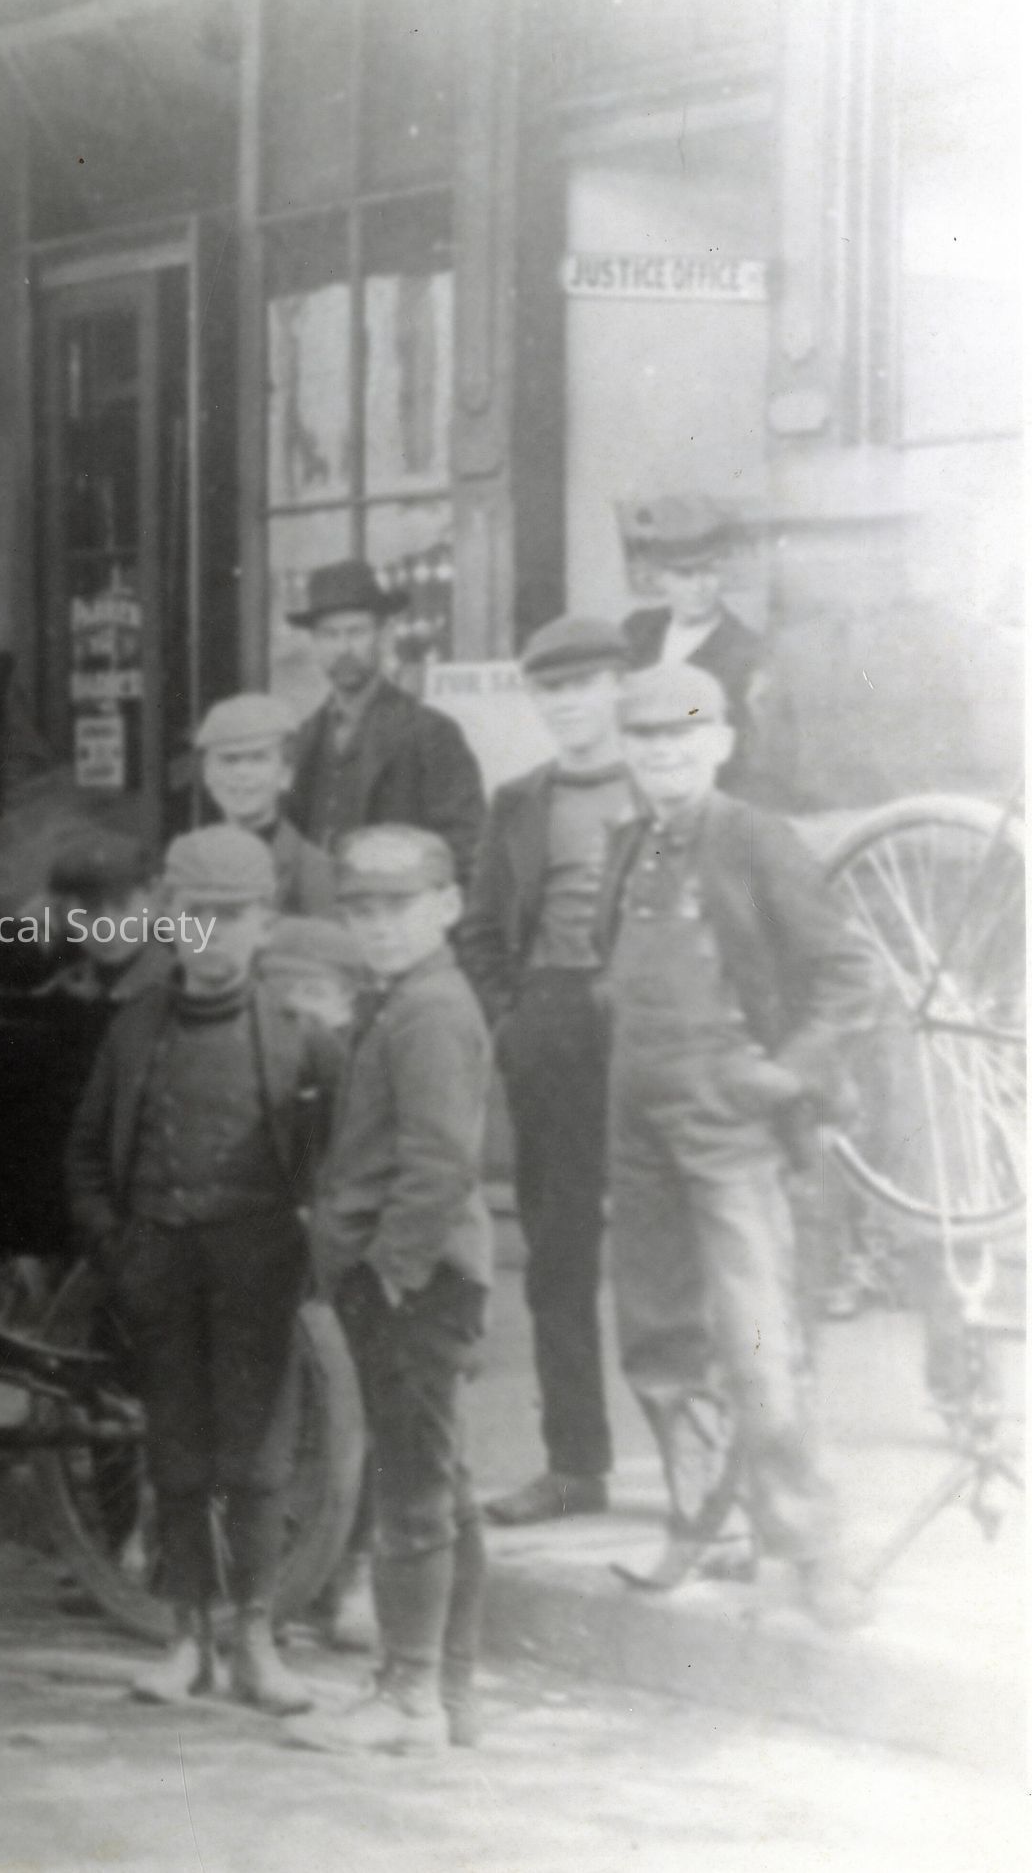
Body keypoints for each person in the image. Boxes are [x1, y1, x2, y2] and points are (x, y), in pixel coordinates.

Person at [595, 663, 879, 1629]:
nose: (663, 753)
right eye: (645, 738)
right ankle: (704, 1519)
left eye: (682, 734)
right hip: (639, 1124)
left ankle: (810, 1544)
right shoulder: (628, 843)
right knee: (658, 1337)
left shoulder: (757, 839)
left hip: (731, 1127)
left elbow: (848, 976)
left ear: (719, 742)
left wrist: (784, 1075)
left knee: (758, 1337)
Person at [64, 826, 342, 1712]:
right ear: (166, 919)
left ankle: (255, 1639)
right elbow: (84, 1155)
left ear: (266, 924)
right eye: (193, 916)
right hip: (161, 1265)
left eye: (231, 917)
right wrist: (119, 1249)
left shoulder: (300, 1034)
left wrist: (314, 1249)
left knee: (257, 1456)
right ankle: (187, 1638)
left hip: (258, 1265)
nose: (210, 937)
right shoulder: (134, 1026)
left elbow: (335, 1155)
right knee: (176, 1449)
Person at [285, 826, 493, 1756]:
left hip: (414, 1283)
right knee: (443, 1482)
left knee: (412, 1490)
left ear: (448, 905)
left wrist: (388, 1275)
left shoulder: (429, 1011)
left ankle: (409, 1697)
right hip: (421, 1278)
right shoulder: (409, 999)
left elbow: (439, 1162)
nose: (378, 925)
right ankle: (450, 1691)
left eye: (399, 906)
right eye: (361, 909)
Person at [456, 615, 636, 1527]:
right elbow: (480, 927)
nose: (567, 703)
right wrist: (514, 1018)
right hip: (551, 1025)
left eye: (583, 684)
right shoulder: (519, 800)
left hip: (646, 1019)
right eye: (551, 689)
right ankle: (575, 1464)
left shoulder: (659, 783)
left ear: (618, 686)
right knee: (558, 1257)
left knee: (671, 1253)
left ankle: (711, 1476)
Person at [285, 561, 486, 885]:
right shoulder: (306, 735)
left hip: (394, 907)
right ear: (315, 643)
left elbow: (465, 850)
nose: (343, 648)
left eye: (356, 632)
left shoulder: (430, 732)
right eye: (329, 634)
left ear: (384, 635)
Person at [616, 494, 765, 786]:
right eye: (685, 574)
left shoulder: (746, 650)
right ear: (661, 577)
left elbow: (742, 745)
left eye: (709, 571)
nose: (700, 586)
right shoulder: (636, 631)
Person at [191, 694, 336, 917]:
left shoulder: (313, 870)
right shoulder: (191, 862)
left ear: (285, 775)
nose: (242, 773)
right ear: (208, 774)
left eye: (258, 758)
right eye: (229, 759)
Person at [39, 829, 169, 1006]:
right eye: (87, 911)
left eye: (122, 906)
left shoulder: (179, 983)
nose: (106, 930)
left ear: (156, 898)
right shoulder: (63, 984)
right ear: (62, 913)